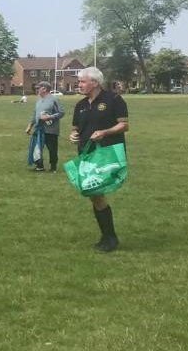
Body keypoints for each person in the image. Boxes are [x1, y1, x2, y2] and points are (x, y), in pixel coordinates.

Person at [70, 66, 129, 252]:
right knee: (94, 195)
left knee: (96, 193)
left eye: (82, 81)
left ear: (95, 83)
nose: (79, 85)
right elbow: (76, 129)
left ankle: (110, 238)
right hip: (87, 155)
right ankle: (107, 237)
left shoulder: (114, 99)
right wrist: (73, 135)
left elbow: (124, 125)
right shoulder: (80, 105)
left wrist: (105, 132)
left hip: (107, 153)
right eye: (79, 81)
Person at [25, 81, 65, 172]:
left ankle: (53, 167)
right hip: (39, 129)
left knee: (52, 149)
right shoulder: (38, 100)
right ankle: (40, 166)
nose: (36, 90)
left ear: (44, 89)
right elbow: (35, 114)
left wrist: (49, 117)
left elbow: (61, 112)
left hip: (51, 130)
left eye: (38, 88)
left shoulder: (54, 99)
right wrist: (30, 125)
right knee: (37, 147)